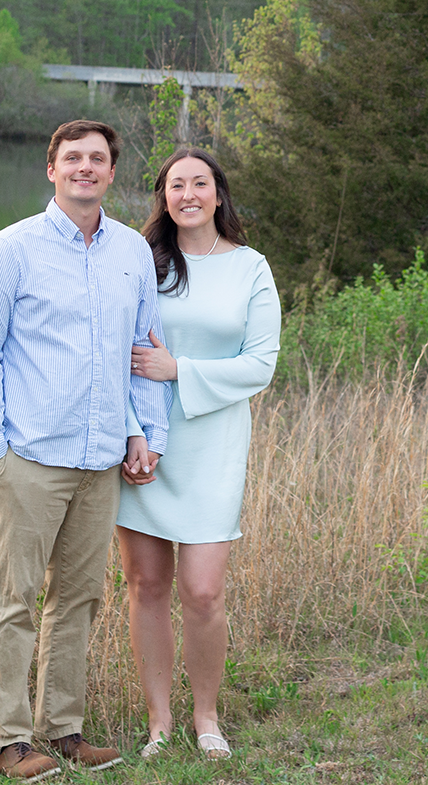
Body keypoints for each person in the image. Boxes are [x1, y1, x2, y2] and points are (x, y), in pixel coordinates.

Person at [0, 120, 170, 780]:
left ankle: (65, 730)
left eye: (98, 159)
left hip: (101, 459)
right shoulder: (11, 249)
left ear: (112, 173)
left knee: (79, 598)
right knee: (13, 598)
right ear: (51, 169)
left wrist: (143, 433)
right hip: (30, 457)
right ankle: (9, 740)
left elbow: (140, 354)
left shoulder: (132, 252)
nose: (85, 168)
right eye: (72, 158)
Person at [116, 147, 280, 761]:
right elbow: (118, 355)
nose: (187, 194)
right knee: (146, 584)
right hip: (144, 445)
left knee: (204, 592)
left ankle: (206, 716)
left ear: (218, 194)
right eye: (175, 185)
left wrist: (177, 368)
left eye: (199, 183)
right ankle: (159, 723)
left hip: (213, 444)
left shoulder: (250, 268)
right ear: (163, 196)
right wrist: (132, 434)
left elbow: (260, 365)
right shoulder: (141, 263)